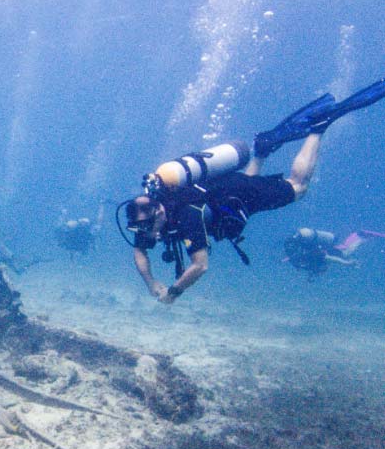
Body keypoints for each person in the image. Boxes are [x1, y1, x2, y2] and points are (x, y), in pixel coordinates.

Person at [126, 77, 385, 303]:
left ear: (158, 213)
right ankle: (261, 151)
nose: (147, 234)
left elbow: (200, 266)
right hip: (225, 192)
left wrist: (173, 292)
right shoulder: (150, 210)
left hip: (235, 192)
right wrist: (151, 284)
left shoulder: (186, 217)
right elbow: (139, 251)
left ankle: (318, 127)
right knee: (243, 194)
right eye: (141, 229)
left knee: (298, 186)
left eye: (147, 227)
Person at [284, 228, 384, 276]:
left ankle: (361, 236)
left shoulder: (313, 257)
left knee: (346, 252)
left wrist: (347, 263)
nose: (323, 272)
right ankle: (359, 235)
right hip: (318, 246)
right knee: (342, 249)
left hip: (323, 248)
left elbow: (329, 258)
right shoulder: (302, 258)